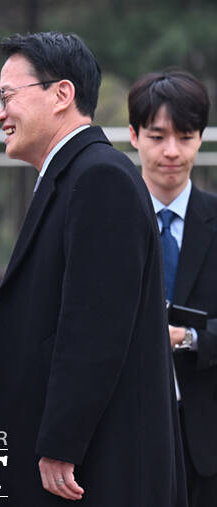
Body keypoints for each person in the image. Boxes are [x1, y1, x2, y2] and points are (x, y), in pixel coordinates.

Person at [0, 32, 186, 506]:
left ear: (61, 94)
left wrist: (61, 444)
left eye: (7, 97)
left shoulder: (99, 177)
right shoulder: (76, 174)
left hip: (89, 469)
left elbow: (95, 328)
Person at [128, 69, 217, 507]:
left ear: (201, 139)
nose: (171, 152)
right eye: (157, 136)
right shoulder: (107, 222)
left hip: (205, 435)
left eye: (185, 137)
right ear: (133, 135)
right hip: (125, 429)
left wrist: (188, 337)